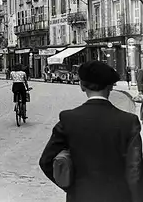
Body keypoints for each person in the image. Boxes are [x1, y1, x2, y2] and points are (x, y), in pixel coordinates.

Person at [39, 61, 143, 202]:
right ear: (110, 87)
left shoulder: (68, 119)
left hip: (80, 196)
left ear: (82, 86)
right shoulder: (129, 121)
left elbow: (46, 161)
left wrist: (70, 186)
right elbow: (135, 169)